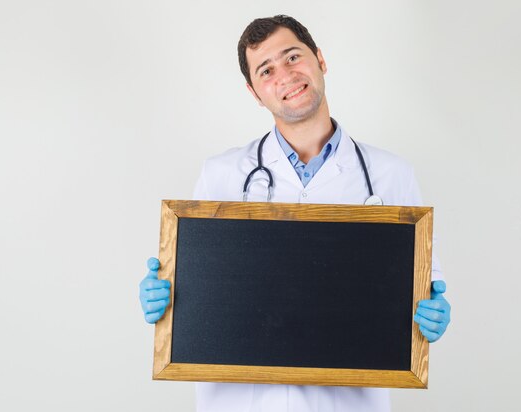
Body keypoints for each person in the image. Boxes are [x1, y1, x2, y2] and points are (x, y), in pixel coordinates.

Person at [139, 15, 451, 412]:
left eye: (292, 57)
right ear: (254, 92)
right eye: (266, 70)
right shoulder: (220, 175)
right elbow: (201, 294)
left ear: (320, 59)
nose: (284, 75)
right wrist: (170, 299)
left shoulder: (390, 176)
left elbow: (424, 284)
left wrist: (430, 311)